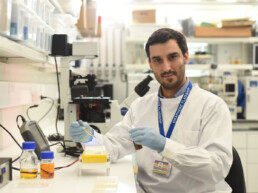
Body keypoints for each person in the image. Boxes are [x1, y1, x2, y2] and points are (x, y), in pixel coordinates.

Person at [69, 28, 233, 193]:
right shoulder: (141, 107)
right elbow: (114, 147)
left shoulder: (212, 106)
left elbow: (216, 168)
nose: (166, 67)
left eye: (172, 57)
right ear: (150, 64)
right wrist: (90, 138)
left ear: (186, 57)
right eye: (157, 60)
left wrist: (165, 146)